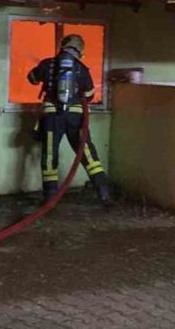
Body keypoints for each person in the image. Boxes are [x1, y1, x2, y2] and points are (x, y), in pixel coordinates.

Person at [27, 34, 112, 205]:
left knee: (50, 155)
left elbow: (32, 78)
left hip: (52, 117)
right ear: (79, 50)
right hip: (76, 118)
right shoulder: (82, 68)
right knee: (87, 153)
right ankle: (103, 193)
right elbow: (89, 95)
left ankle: (50, 197)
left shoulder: (47, 64)